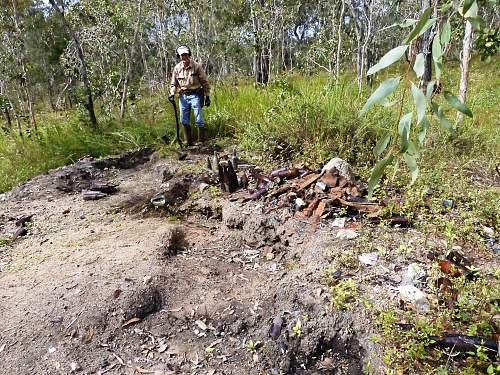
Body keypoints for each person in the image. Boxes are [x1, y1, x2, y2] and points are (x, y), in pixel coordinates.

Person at [168, 45, 211, 145]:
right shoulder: (177, 68)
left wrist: (207, 96)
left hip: (195, 95)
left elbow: (205, 82)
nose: (184, 57)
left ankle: (202, 141)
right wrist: (172, 94)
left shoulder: (197, 66)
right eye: (182, 55)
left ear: (189, 54)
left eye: (185, 54)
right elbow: (173, 84)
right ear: (179, 56)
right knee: (184, 120)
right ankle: (188, 142)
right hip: (183, 96)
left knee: (199, 119)